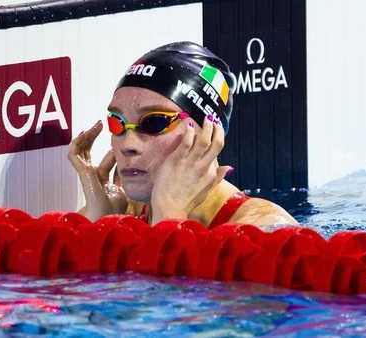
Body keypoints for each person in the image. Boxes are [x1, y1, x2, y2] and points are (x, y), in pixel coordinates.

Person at [67, 41, 297, 228]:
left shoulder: (266, 228)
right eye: (118, 123)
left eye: (155, 122)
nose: (128, 145)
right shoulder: (123, 210)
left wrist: (169, 210)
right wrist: (98, 220)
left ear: (208, 133)